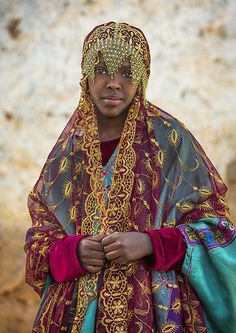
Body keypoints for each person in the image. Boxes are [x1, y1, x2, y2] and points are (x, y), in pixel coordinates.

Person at [24, 22, 236, 333]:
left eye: (126, 71)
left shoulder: (171, 141)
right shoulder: (67, 154)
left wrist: (151, 243)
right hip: (78, 313)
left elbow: (217, 231)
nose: (113, 83)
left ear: (142, 77)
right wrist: (72, 251)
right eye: (101, 70)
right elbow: (40, 238)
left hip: (157, 311)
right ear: (84, 75)